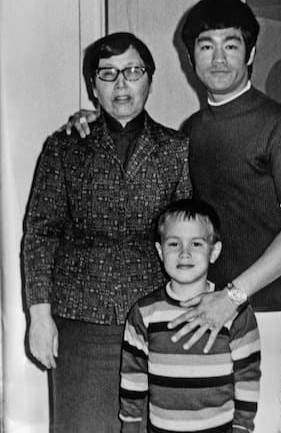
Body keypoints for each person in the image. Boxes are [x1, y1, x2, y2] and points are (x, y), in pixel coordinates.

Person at [65, 0, 281, 432]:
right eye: (206, 46)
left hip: (260, 309)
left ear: (251, 53)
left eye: (231, 45)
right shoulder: (191, 132)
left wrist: (232, 297)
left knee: (253, 425)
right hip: (194, 307)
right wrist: (98, 121)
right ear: (190, 57)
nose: (218, 58)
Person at [22, 32, 192, 433]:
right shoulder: (63, 147)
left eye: (133, 72)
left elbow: (186, 236)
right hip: (79, 320)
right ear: (92, 86)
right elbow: (40, 234)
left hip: (154, 316)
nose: (121, 84)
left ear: (150, 78)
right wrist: (39, 317)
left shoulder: (176, 148)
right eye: (108, 74)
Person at [119, 198, 261, 433]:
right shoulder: (144, 313)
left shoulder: (236, 312)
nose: (184, 253)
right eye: (174, 244)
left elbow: (248, 377)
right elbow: (133, 375)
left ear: (214, 251)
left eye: (196, 244)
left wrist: (242, 428)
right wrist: (130, 425)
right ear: (160, 251)